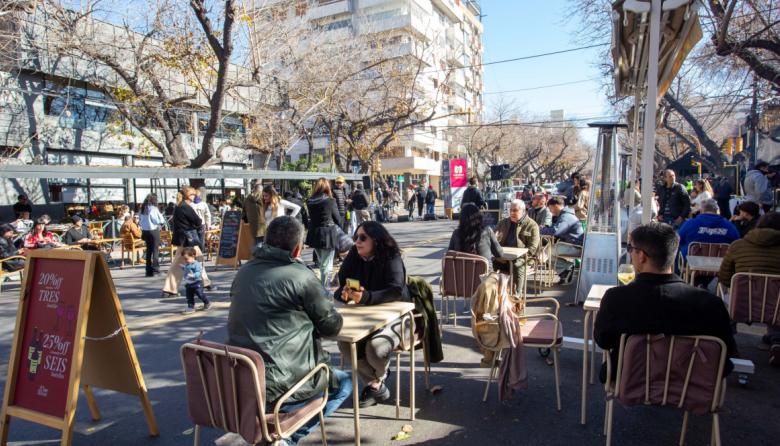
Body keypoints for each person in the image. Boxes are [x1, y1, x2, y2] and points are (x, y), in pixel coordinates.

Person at [228, 216, 350, 444]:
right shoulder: (301, 276)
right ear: (297, 249)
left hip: (240, 380)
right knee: (344, 383)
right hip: (284, 386)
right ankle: (286, 438)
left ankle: (275, 437)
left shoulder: (243, 273)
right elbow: (331, 327)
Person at [594, 222, 737, 382]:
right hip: (694, 383)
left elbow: (603, 341)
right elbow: (727, 350)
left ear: (641, 256)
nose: (630, 253)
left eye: (631, 248)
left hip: (631, 380)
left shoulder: (616, 298)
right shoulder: (711, 304)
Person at [335, 221, 410, 408]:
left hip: (399, 317)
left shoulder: (391, 256)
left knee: (375, 348)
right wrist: (344, 294)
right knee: (345, 343)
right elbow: (343, 282)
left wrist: (366, 297)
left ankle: (376, 380)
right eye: (355, 237)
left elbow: (396, 291)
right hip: (365, 315)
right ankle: (375, 384)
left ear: (376, 241)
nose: (357, 242)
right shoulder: (354, 254)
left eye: (362, 238)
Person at [717, 212, 780, 365]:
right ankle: (777, 340)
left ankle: (728, 341)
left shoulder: (738, 245)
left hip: (743, 302)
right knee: (774, 295)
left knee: (723, 296)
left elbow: (724, 277)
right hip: (777, 306)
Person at [162, 186, 212, 298]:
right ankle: (170, 289)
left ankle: (205, 283)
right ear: (189, 196)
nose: (195, 196)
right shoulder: (186, 207)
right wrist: (195, 224)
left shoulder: (180, 207)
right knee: (179, 264)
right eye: (193, 194)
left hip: (183, 239)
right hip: (187, 240)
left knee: (197, 259)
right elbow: (198, 221)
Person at [495, 200, 540, 293]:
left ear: (523, 211)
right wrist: (496, 239)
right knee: (490, 262)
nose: (511, 213)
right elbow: (495, 240)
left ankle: (517, 294)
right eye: (510, 210)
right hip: (504, 256)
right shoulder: (503, 223)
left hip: (524, 257)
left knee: (517, 265)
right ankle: (497, 292)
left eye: (515, 210)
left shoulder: (532, 225)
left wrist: (519, 255)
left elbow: (533, 247)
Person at [306, 178, 342, 287]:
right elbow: (337, 219)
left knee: (322, 262)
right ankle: (325, 288)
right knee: (326, 265)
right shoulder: (330, 200)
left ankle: (322, 286)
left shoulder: (310, 201)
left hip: (315, 234)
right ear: (327, 187)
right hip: (328, 234)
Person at [541, 196, 584, 283]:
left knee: (545, 253)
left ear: (556, 206)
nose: (550, 211)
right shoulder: (565, 215)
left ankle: (566, 268)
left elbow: (555, 231)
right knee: (546, 253)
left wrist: (540, 230)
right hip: (573, 245)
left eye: (550, 208)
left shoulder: (566, 217)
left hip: (576, 247)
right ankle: (565, 270)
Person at [139, 193, 165, 277]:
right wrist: (161, 219)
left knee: (149, 250)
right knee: (155, 250)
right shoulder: (153, 208)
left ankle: (148, 270)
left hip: (145, 231)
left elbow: (140, 220)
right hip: (153, 230)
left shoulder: (142, 208)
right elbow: (158, 220)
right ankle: (156, 269)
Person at [180, 247, 210, 314]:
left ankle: (207, 302)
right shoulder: (187, 264)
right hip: (189, 283)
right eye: (184, 259)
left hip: (196, 282)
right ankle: (191, 307)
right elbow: (186, 270)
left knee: (200, 294)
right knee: (189, 296)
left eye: (186, 259)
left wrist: (193, 275)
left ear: (193, 256)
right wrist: (183, 267)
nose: (185, 261)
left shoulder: (196, 264)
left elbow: (198, 272)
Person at [191, 187, 212, 253]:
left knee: (194, 240)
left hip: (192, 224)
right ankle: (201, 253)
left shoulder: (191, 204)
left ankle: (195, 253)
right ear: (200, 195)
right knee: (201, 239)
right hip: (201, 224)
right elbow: (208, 215)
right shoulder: (203, 204)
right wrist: (208, 224)